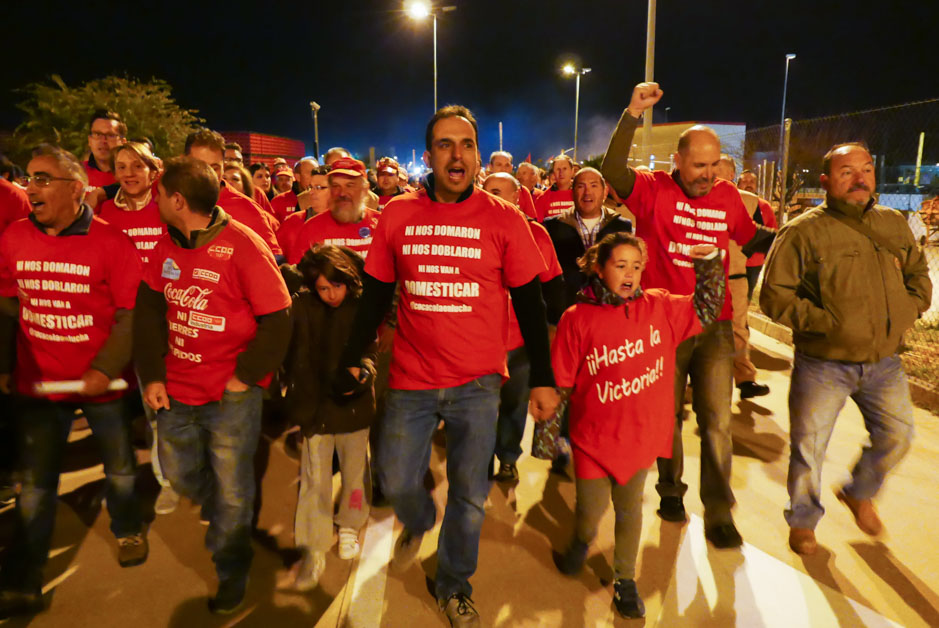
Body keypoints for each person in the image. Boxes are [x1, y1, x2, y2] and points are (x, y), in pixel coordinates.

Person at [337, 105, 559, 627]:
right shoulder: (398, 214)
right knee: (394, 480)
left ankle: (456, 583)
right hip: (411, 381)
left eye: (466, 144)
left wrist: (544, 377)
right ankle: (421, 517)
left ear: (478, 154)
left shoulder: (505, 219)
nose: (456, 155)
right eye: (444, 145)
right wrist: (353, 354)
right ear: (430, 155)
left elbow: (531, 304)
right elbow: (375, 296)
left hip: (479, 384)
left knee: (470, 495)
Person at [600, 82, 775, 549]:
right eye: (698, 165)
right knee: (666, 417)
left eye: (714, 165)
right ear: (677, 160)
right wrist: (632, 115)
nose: (707, 174)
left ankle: (719, 511)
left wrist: (800, 237)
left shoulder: (727, 197)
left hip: (715, 326)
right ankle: (670, 492)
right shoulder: (652, 191)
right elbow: (611, 171)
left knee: (718, 422)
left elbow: (754, 236)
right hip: (664, 326)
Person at [133, 156, 292, 613]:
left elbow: (278, 319)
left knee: (233, 489)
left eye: (159, 194)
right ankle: (224, 515)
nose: (155, 201)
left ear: (177, 200)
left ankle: (231, 567)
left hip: (230, 397)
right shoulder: (166, 245)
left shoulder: (244, 245)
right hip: (176, 389)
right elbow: (147, 311)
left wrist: (245, 378)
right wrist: (153, 374)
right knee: (180, 474)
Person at [760, 142, 932, 555]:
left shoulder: (893, 222)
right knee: (808, 449)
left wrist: (907, 311)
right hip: (824, 363)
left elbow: (918, 275)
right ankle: (803, 522)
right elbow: (774, 296)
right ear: (825, 182)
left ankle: (859, 492)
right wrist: (828, 325)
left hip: (884, 361)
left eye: (867, 170)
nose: (859, 179)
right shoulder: (803, 230)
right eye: (846, 171)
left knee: (898, 436)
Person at [0, 145, 147, 619]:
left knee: (120, 468)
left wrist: (104, 369)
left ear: (76, 189)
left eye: (43, 179)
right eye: (29, 178)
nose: (31, 188)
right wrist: (7, 363)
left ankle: (126, 526)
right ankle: (22, 579)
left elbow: (130, 315)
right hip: (39, 384)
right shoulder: (14, 237)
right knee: (37, 486)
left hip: (100, 385)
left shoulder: (111, 243)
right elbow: (5, 303)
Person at [552, 233, 724, 618]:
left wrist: (709, 262)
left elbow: (708, 307)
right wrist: (550, 442)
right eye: (619, 265)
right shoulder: (576, 319)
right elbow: (560, 383)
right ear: (599, 268)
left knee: (630, 513)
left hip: (640, 439)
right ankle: (581, 541)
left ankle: (624, 581)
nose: (629, 274)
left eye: (636, 265)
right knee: (591, 512)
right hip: (592, 440)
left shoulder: (660, 307)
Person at [282, 244, 376, 590]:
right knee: (314, 479)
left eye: (337, 286)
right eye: (323, 287)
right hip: (315, 409)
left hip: (354, 407)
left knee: (354, 475)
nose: (331, 294)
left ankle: (350, 523)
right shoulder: (301, 308)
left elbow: (371, 352)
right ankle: (314, 544)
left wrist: (363, 374)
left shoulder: (360, 308)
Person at [96, 142, 179, 513]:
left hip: (172, 319)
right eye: (121, 166)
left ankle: (191, 471)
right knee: (153, 407)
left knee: (181, 402)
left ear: (152, 170)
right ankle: (169, 480)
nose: (128, 173)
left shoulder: (167, 208)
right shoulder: (104, 213)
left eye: (136, 166)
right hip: (129, 323)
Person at [482, 173, 565, 482]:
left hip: (519, 341)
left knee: (514, 405)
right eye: (490, 192)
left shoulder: (536, 234)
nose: (496, 199)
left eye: (502, 193)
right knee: (480, 409)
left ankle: (506, 458)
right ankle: (480, 460)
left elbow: (553, 286)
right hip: (481, 341)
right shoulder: (474, 232)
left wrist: (551, 329)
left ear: (518, 198)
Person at [714, 155, 770, 400]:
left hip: (735, 276)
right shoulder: (697, 197)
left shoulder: (750, 203)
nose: (717, 177)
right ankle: (695, 384)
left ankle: (745, 378)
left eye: (722, 172)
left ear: (731, 176)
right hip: (703, 278)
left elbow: (759, 239)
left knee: (738, 331)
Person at [184, 129, 282, 258]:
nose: (207, 175)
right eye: (199, 166)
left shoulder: (247, 209)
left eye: (214, 168)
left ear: (223, 166)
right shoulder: (169, 202)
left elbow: (273, 260)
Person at [544, 167, 633, 308]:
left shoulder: (621, 227)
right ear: (572, 193)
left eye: (593, 185)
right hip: (567, 310)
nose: (587, 192)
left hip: (608, 309)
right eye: (581, 186)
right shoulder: (553, 226)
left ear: (605, 191)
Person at [287, 157, 379, 264]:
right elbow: (299, 275)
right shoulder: (311, 228)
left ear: (364, 189)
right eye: (336, 186)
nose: (342, 193)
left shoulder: (381, 225)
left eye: (350, 185)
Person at [736, 170, 778, 299]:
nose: (749, 184)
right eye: (745, 181)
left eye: (752, 182)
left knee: (746, 298)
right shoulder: (733, 201)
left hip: (754, 263)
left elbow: (772, 233)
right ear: (738, 184)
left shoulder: (765, 206)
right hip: (735, 261)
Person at [277, 165, 331, 256]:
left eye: (318, 187)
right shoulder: (293, 222)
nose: (311, 192)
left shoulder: (349, 224)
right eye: (311, 187)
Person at [487, 151, 538, 220]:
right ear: (491, 167)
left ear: (511, 167)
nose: (503, 169)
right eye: (499, 165)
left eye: (507, 165)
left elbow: (531, 221)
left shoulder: (523, 191)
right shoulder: (482, 190)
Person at [84, 110, 127, 188]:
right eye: (97, 134)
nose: (103, 140)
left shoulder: (132, 175)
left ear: (123, 142)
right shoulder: (76, 174)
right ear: (89, 140)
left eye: (110, 135)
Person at [271, 157, 319, 223]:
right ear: (298, 177)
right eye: (311, 173)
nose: (315, 177)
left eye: (317, 173)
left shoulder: (326, 199)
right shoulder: (278, 202)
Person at [535, 154, 575, 221]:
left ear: (572, 171)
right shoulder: (543, 198)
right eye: (558, 169)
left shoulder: (581, 195)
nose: (561, 172)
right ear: (553, 172)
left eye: (565, 168)